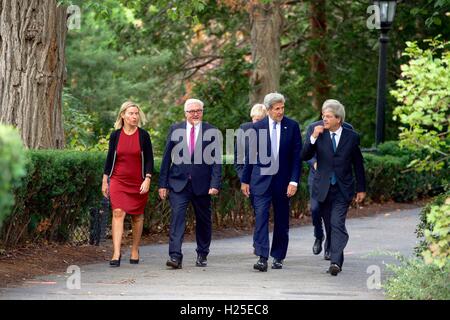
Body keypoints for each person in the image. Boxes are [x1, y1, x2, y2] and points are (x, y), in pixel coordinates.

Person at [302, 99, 366, 276]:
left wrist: (361, 188)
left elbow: (358, 164)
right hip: (322, 188)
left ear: (339, 119)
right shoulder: (319, 134)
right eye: (323, 116)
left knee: (337, 223)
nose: (324, 119)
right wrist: (313, 138)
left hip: (342, 189)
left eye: (328, 116)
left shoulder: (351, 137)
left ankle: (336, 262)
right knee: (330, 225)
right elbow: (304, 155)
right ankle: (325, 241)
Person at [240, 93, 302, 272]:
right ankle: (262, 257)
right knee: (260, 217)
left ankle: (278, 256)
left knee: (282, 220)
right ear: (268, 110)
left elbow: (296, 158)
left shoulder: (292, 126)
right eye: (277, 109)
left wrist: (294, 181)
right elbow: (250, 158)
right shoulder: (257, 128)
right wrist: (245, 180)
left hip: (283, 182)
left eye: (282, 108)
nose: (281, 111)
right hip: (260, 181)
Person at [159, 98, 222, 269]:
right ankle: (175, 256)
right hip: (178, 183)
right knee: (177, 218)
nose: (195, 114)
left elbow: (217, 161)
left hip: (203, 185)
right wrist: (162, 184)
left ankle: (202, 254)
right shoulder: (175, 129)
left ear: (202, 111)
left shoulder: (212, 131)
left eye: (198, 111)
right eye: (192, 111)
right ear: (185, 113)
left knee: (203, 221)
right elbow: (166, 159)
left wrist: (215, 183)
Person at [102, 101, 154, 267]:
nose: (134, 116)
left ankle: (135, 249)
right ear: (123, 115)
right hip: (118, 180)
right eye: (131, 113)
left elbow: (149, 160)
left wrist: (147, 178)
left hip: (138, 181)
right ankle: (116, 253)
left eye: (136, 114)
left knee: (137, 216)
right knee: (118, 212)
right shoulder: (115, 135)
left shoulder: (143, 136)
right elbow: (110, 159)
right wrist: (105, 180)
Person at [306, 118, 353, 260]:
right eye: (324, 113)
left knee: (330, 216)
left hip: (336, 180)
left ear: (338, 116)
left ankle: (329, 246)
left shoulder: (348, 129)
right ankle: (319, 235)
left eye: (330, 114)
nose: (326, 117)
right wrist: (314, 163)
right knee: (315, 208)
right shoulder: (314, 127)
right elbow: (307, 150)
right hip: (317, 177)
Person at [234, 103, 267, 181]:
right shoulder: (243, 128)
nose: (258, 123)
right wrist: (242, 176)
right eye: (256, 120)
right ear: (252, 118)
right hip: (248, 177)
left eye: (261, 120)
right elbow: (238, 155)